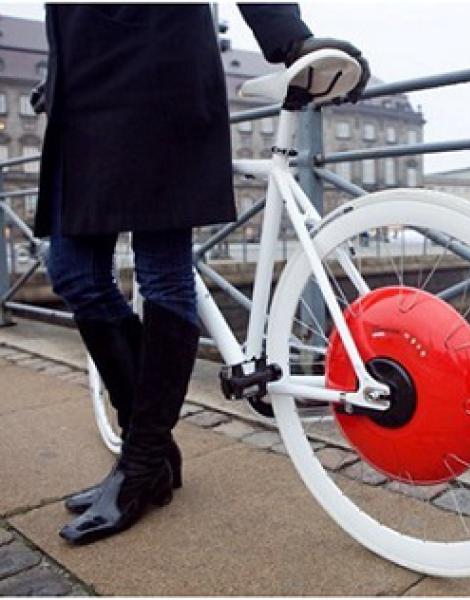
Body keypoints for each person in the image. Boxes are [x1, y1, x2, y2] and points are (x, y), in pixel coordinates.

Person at [33, 4, 369, 545]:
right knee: (73, 272)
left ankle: (141, 462)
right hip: (82, 89)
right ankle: (150, 454)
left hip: (156, 69)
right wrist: (57, 72)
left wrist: (289, 38)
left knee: (162, 275)